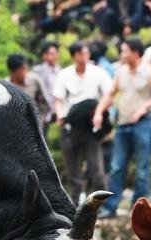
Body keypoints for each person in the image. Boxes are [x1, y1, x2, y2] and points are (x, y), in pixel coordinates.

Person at [93, 39, 151, 218]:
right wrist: (99, 111)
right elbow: (111, 94)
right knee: (117, 166)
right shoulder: (121, 72)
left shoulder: (149, 72)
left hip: (143, 124)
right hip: (123, 124)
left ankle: (139, 209)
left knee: (142, 167)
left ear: (135, 52)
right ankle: (111, 206)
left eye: (125, 51)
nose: (122, 55)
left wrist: (146, 107)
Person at [53, 42, 113, 205]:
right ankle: (75, 203)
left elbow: (109, 94)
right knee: (72, 168)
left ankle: (103, 205)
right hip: (70, 124)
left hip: (90, 124)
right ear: (74, 56)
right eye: (80, 54)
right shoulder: (64, 75)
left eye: (86, 53)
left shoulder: (98, 73)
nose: (84, 57)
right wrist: (60, 115)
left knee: (96, 168)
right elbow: (58, 99)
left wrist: (99, 112)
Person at [7, 54, 54, 130]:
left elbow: (48, 101)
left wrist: (43, 119)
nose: (25, 72)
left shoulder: (34, 80)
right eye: (22, 69)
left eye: (25, 68)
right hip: (15, 126)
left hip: (36, 124)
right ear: (13, 71)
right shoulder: (7, 85)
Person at [32, 42, 61, 126]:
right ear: (44, 55)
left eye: (55, 53)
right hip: (42, 108)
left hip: (58, 107)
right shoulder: (37, 70)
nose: (54, 56)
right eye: (51, 54)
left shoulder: (61, 71)